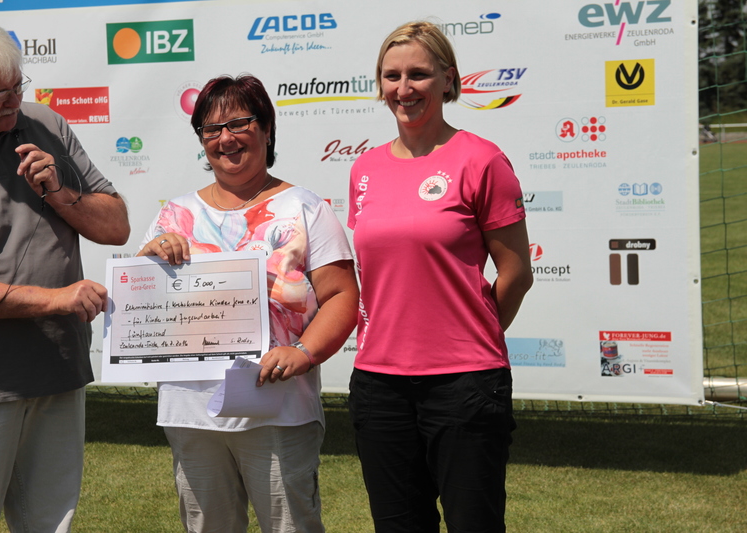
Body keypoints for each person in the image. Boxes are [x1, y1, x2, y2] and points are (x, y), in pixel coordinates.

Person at [137, 74, 359, 533]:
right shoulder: (173, 214)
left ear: (267, 129)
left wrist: (303, 352)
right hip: (192, 412)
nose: (226, 138)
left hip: (279, 407)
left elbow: (342, 296)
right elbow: (143, 299)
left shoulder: (305, 208)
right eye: (212, 129)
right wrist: (149, 256)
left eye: (240, 123)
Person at [347, 21, 533, 533]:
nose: (403, 88)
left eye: (419, 75)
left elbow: (516, 272)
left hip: (465, 384)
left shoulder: (482, 160)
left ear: (448, 80)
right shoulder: (364, 168)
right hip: (379, 383)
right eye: (392, 76)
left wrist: (470, 333)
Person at [0, 19, 130, 533]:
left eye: (17, 84)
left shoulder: (44, 123)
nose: (14, 100)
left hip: (58, 370)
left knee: (50, 524)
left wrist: (59, 192)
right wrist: (55, 301)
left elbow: (116, 226)